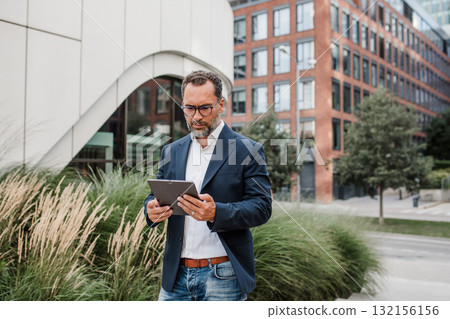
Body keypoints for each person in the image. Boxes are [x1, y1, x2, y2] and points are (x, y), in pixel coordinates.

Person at [144, 70, 272, 301]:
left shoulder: (247, 149)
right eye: (189, 108)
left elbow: (262, 207)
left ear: (221, 104)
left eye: (205, 108)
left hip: (223, 276)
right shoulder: (171, 151)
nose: (196, 117)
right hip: (176, 276)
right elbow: (154, 196)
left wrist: (217, 212)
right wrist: (151, 209)